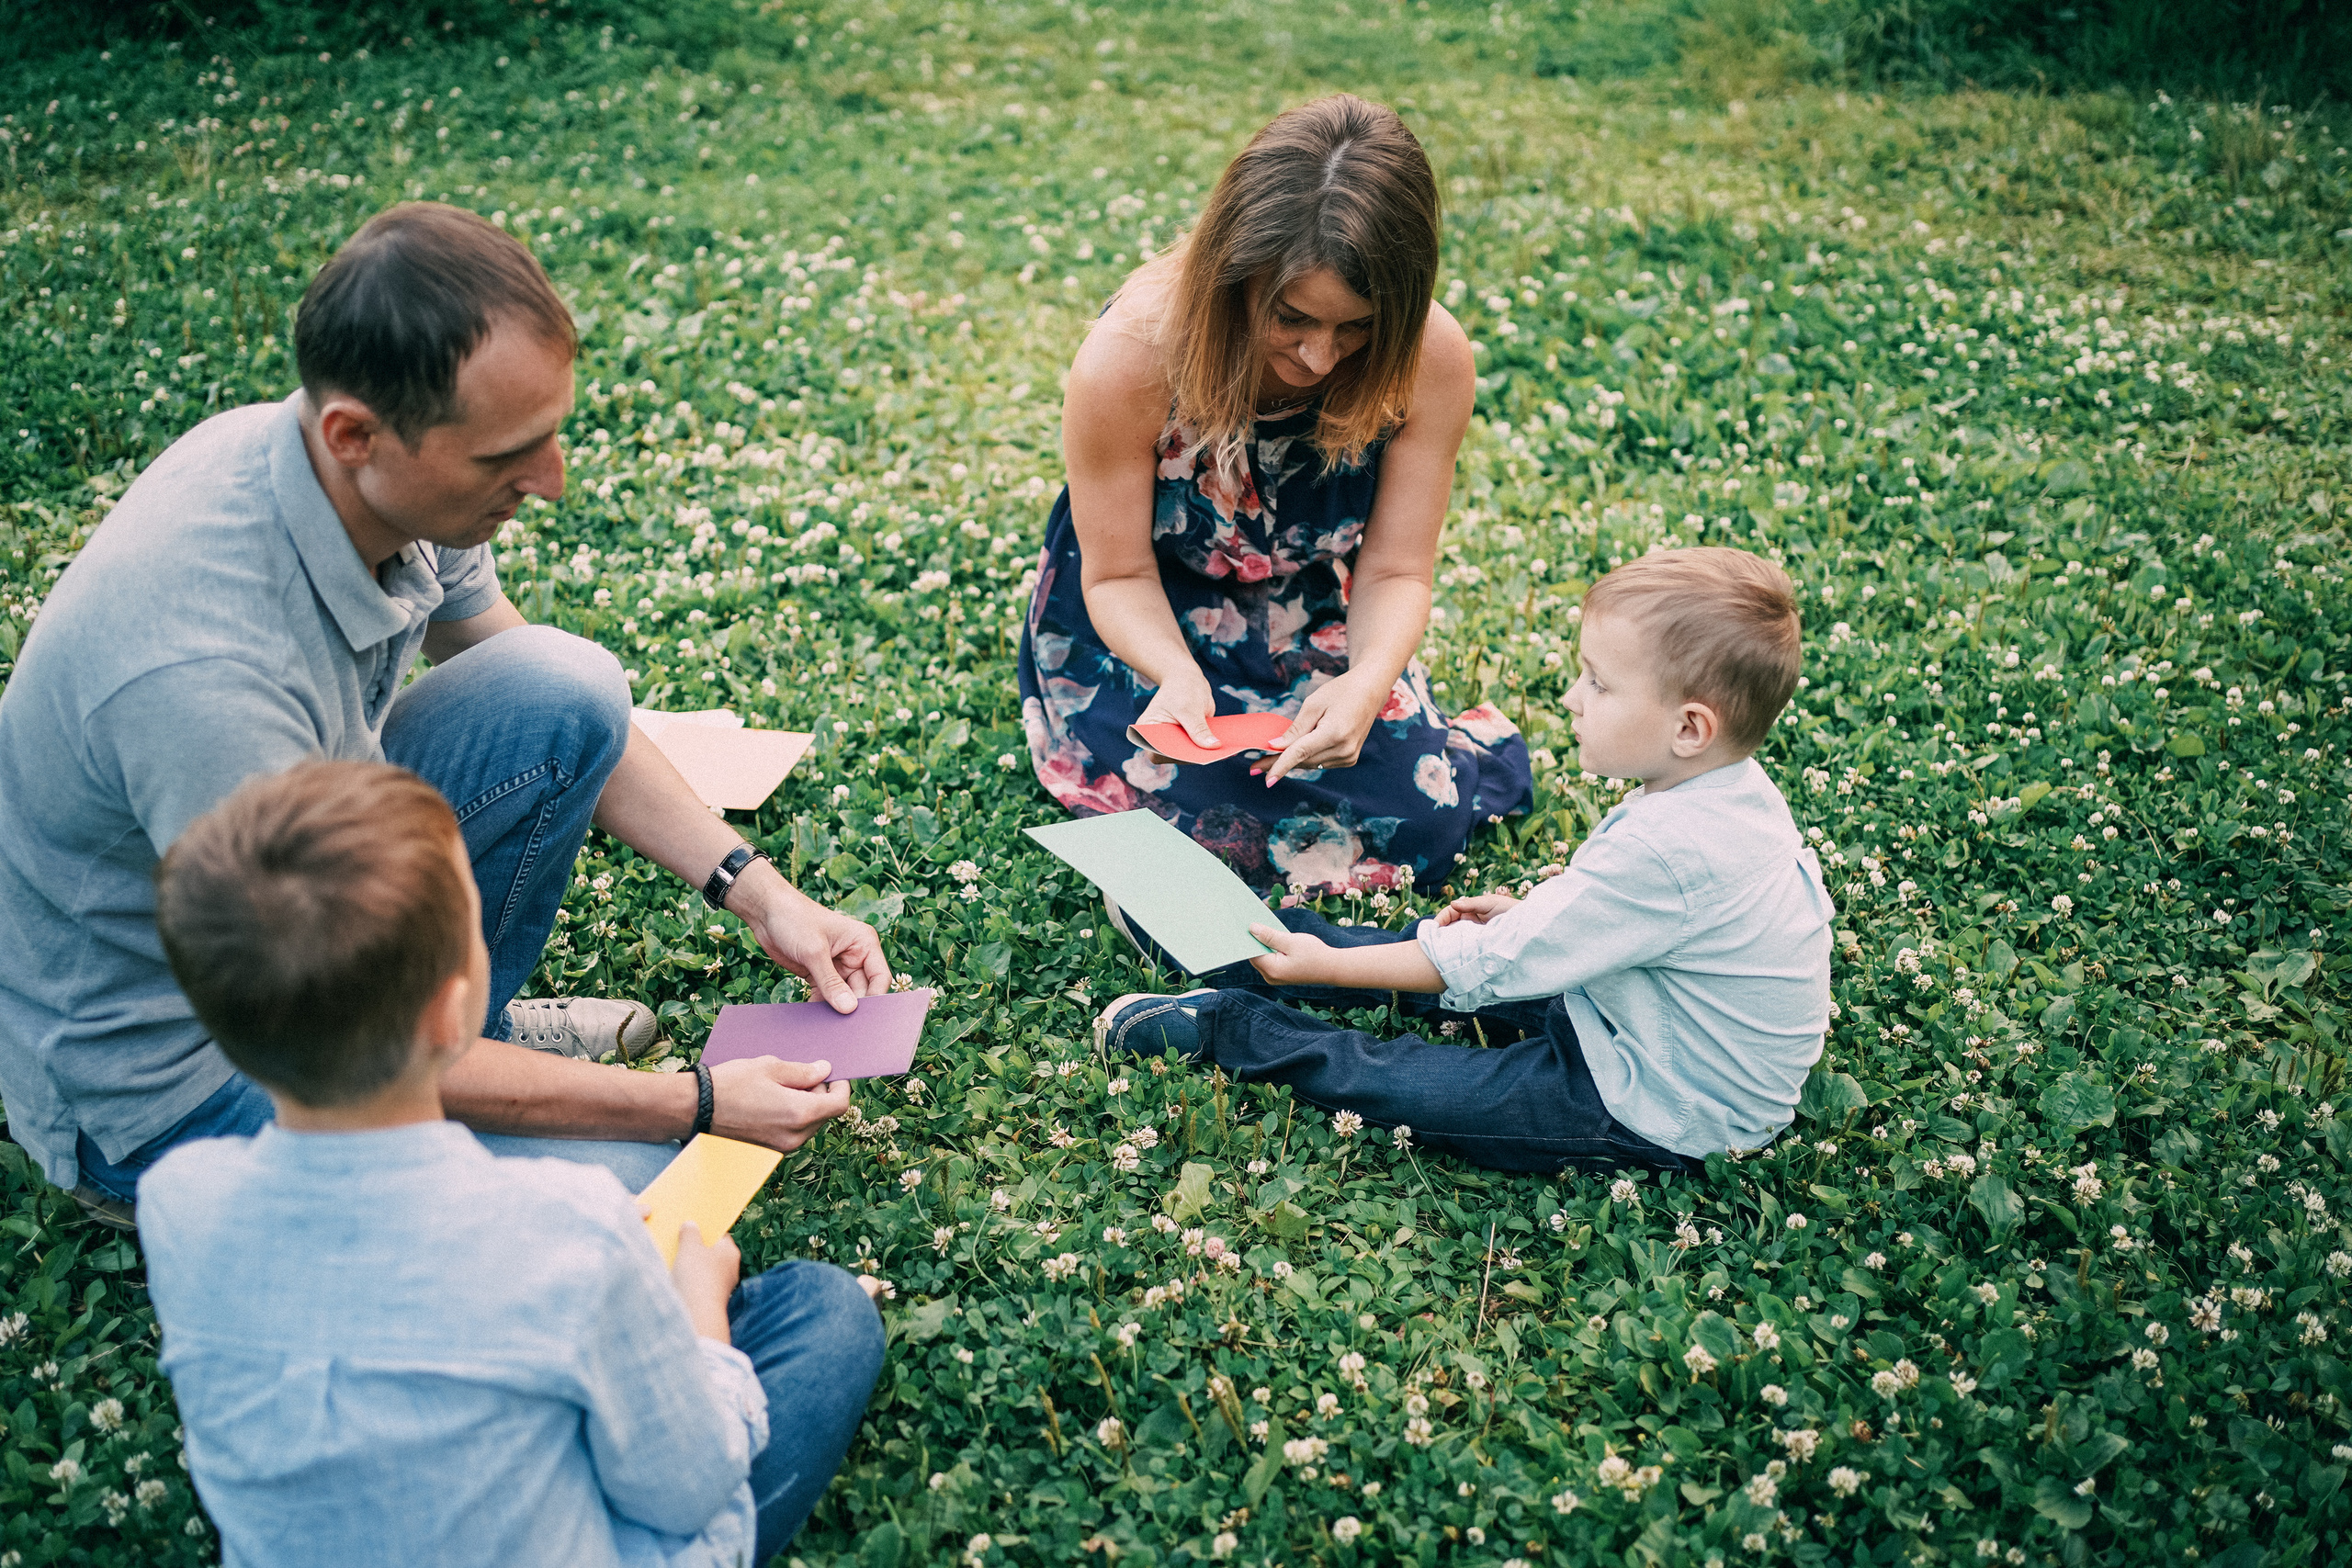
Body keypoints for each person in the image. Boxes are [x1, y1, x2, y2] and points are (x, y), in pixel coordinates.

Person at [0, 203, 886, 1225]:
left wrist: (762, 894)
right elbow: (343, 1034)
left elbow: (543, 701)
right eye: (507, 455)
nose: (551, 482)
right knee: (631, 1201)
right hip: (191, 1071)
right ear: (356, 435)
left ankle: (474, 1035)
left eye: (550, 434)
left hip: (313, 921)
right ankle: (437, 1083)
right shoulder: (207, 680)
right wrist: (693, 1103)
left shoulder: (367, 481)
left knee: (561, 681)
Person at [139, 760, 885, 1565]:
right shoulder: (573, 1228)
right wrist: (702, 1313)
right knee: (825, 1311)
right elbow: (689, 1485)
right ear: (451, 1009)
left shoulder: (178, 1203)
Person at [1092, 547, 1834, 1174]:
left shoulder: (1669, 847)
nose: (1571, 697)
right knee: (1426, 945)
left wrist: (1334, 967)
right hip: (1633, 1012)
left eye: (1599, 683)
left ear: (1690, 728)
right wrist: (1539, 917)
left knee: (1410, 1078)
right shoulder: (1730, 791)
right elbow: (1644, 925)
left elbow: (1494, 961)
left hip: (1662, 1104)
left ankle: (1232, 1028)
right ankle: (1226, 936)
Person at [1017, 94, 1531, 896]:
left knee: (1424, 817)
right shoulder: (1132, 358)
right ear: (1235, 272)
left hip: (1309, 609)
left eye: (1356, 327)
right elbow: (1116, 573)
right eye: (1292, 318)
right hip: (1144, 616)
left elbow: (1396, 570)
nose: (1321, 357)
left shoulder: (1429, 358)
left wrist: (1367, 682)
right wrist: (1174, 675)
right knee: (1183, 812)